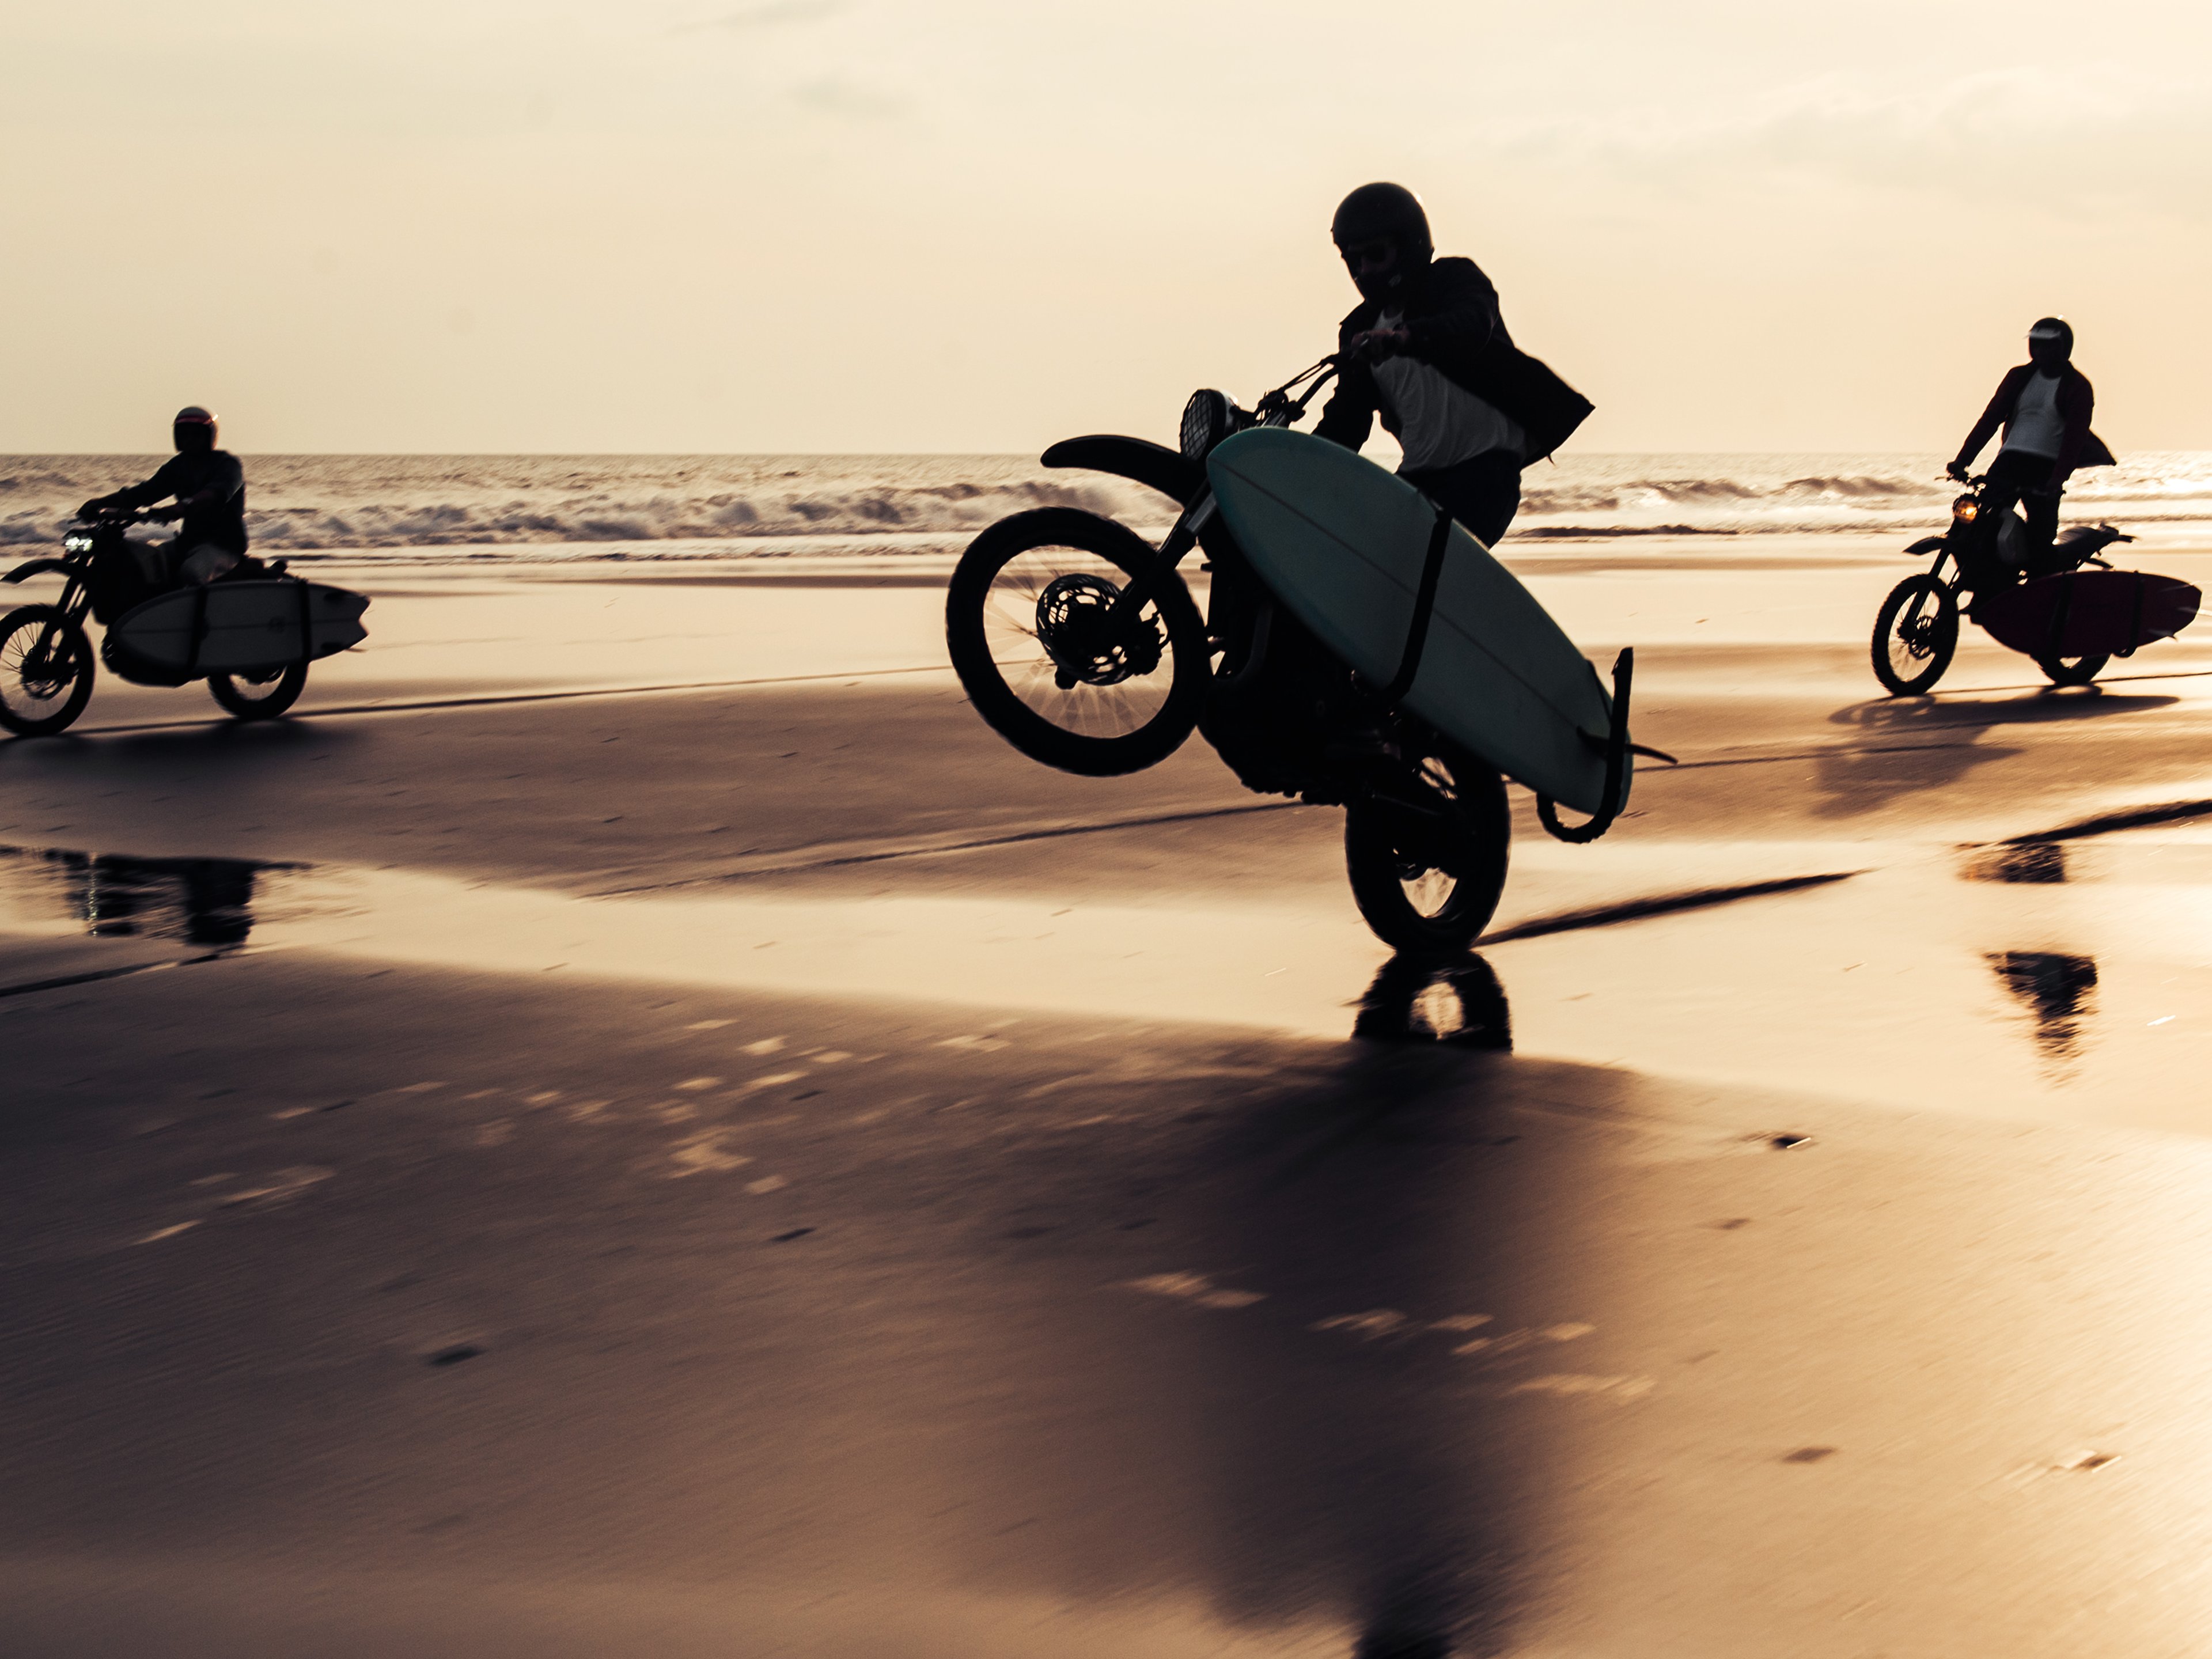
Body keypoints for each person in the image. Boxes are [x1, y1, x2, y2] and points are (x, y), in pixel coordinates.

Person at [1314, 183, 1590, 547]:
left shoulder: (1454, 280)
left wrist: (1404, 339)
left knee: (1426, 571)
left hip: (1487, 473)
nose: (1364, 270)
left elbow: (1470, 326)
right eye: (1353, 261)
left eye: (1375, 255)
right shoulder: (1358, 328)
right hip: (1418, 478)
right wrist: (1296, 467)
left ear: (1408, 245)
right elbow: (1347, 421)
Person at [1946, 317, 2114, 584]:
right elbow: (1990, 419)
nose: (2041, 351)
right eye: (2037, 345)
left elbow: (2074, 439)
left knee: (2040, 538)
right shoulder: (2019, 377)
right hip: (2008, 462)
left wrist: (2057, 481)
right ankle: (1988, 581)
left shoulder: (2078, 386)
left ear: (2064, 348)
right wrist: (1962, 461)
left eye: (2049, 346)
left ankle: (2040, 588)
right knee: (1971, 526)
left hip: (2046, 469)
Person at [78, 406, 250, 588]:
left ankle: (201, 616)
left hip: (224, 546)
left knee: (192, 573)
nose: (189, 440)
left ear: (209, 436)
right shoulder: (178, 466)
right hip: (187, 542)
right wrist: (99, 503)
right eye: (184, 435)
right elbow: (143, 494)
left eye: (196, 435)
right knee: (142, 566)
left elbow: (215, 494)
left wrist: (183, 506)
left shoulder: (228, 464)